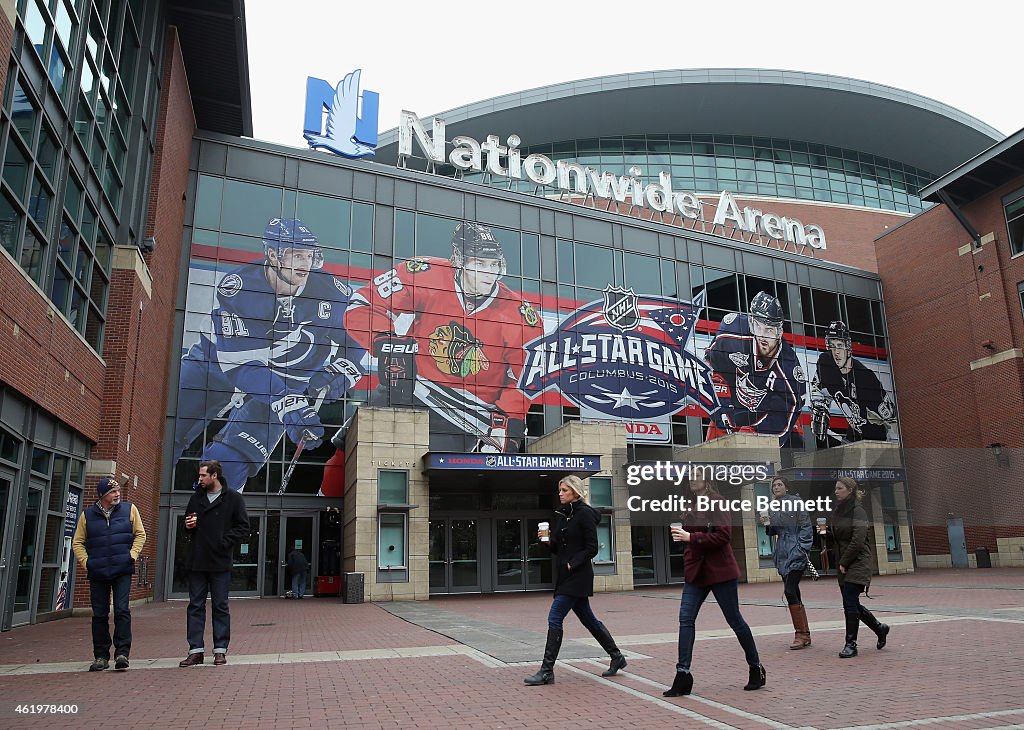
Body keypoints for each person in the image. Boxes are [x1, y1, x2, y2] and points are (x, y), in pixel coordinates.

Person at [172, 217, 364, 490]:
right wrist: (288, 404)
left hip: (286, 376)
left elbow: (357, 337)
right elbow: (242, 365)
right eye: (296, 255)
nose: (304, 264)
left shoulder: (329, 291)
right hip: (215, 365)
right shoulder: (239, 288)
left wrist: (342, 372)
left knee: (228, 465)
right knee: (166, 433)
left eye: (309, 256)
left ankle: (208, 522)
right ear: (272, 254)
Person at [344, 221, 535, 453]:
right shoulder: (425, 274)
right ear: (459, 261)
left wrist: (508, 421)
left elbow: (526, 380)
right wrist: (386, 341)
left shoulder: (518, 313)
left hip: (465, 411)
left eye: (494, 264)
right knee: (347, 447)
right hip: (411, 386)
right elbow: (362, 304)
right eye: (479, 263)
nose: (489, 273)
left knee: (423, 467)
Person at [664, 477, 765, 697]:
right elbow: (690, 538)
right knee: (685, 619)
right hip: (696, 572)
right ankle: (683, 675)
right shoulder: (689, 503)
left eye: (697, 475)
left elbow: (724, 536)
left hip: (720, 570)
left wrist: (691, 537)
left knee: (734, 620)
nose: (692, 479)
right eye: (690, 476)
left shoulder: (718, 502)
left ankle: (755, 667)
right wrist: (685, 541)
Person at [524, 476, 627, 685]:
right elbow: (557, 548)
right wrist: (545, 541)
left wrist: (573, 562)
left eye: (564, 490)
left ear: (575, 492)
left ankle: (546, 670)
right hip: (565, 575)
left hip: (578, 575)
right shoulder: (564, 515)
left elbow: (592, 547)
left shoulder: (585, 514)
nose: (560, 493)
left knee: (555, 617)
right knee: (589, 620)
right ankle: (617, 656)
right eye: (559, 490)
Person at [704, 290, 807, 448]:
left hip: (763, 422)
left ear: (779, 331)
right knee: (706, 466)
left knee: (773, 462)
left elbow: (788, 412)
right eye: (758, 327)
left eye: (769, 330)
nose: (762, 336)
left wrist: (756, 433)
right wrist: (722, 405)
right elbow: (710, 366)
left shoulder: (789, 368)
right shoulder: (733, 332)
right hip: (730, 414)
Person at [179, 460, 250, 667]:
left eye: (203, 476)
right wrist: (188, 525)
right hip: (197, 561)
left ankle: (220, 650)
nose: (199, 479)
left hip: (220, 562)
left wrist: (223, 542)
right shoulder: (196, 499)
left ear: (214, 476)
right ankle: (195, 650)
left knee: (220, 606)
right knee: (195, 606)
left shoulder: (234, 499)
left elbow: (243, 527)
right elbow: (187, 524)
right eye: (199, 475)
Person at [71, 476, 146, 672]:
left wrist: (132, 556)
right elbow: (77, 542)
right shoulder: (87, 515)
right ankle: (101, 656)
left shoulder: (130, 510)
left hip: (122, 569)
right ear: (102, 495)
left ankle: (122, 653)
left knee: (122, 610)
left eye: (118, 491)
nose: (117, 494)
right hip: (98, 571)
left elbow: (140, 534)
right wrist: (87, 563)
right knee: (100, 614)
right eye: (113, 492)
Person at [825, 476, 890, 658]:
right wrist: (826, 532)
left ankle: (851, 644)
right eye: (835, 488)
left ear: (850, 490)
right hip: (844, 562)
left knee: (849, 602)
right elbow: (840, 537)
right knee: (852, 602)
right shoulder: (839, 511)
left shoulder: (858, 511)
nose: (836, 491)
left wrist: (844, 562)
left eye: (839, 488)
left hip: (858, 562)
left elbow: (858, 539)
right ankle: (879, 628)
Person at [811, 320, 896, 446]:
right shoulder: (826, 364)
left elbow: (891, 420)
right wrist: (820, 409)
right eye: (832, 346)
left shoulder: (866, 378)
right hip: (855, 433)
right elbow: (818, 389)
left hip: (875, 440)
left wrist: (892, 450)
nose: (836, 352)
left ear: (848, 347)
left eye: (839, 345)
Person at [762, 475, 814, 649]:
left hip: (795, 550)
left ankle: (800, 634)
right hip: (782, 552)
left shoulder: (797, 502)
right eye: (774, 485)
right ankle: (804, 634)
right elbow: (773, 531)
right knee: (794, 592)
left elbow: (806, 526)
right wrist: (767, 525)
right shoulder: (772, 505)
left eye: (779, 484)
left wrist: (801, 548)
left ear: (786, 487)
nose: (776, 487)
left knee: (790, 590)